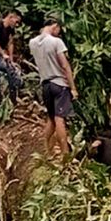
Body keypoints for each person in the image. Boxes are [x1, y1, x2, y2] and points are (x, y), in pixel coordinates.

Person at [30, 18, 78, 155]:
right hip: (59, 84)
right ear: (55, 26)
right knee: (59, 118)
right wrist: (73, 88)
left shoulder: (33, 43)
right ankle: (65, 154)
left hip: (45, 84)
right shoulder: (56, 42)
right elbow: (65, 65)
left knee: (51, 118)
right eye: (59, 30)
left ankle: (46, 149)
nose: (58, 33)